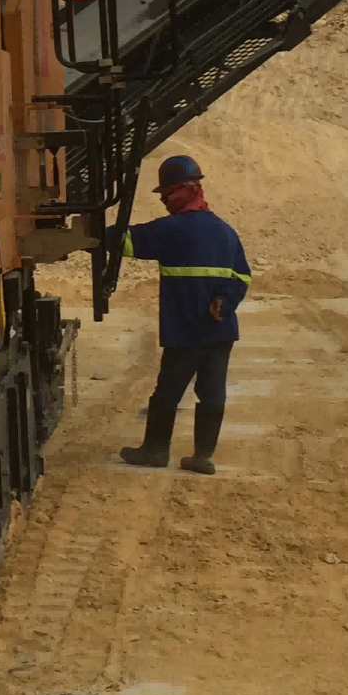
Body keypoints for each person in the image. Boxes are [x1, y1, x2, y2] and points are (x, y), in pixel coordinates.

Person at [115, 155, 251, 475]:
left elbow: (127, 240)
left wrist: (85, 235)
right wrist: (225, 301)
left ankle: (155, 450)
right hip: (220, 332)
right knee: (212, 393)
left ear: (185, 190)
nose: (163, 200)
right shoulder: (226, 232)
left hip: (186, 331)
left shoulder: (172, 229)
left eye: (167, 194)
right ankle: (202, 457)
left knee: (167, 392)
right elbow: (242, 276)